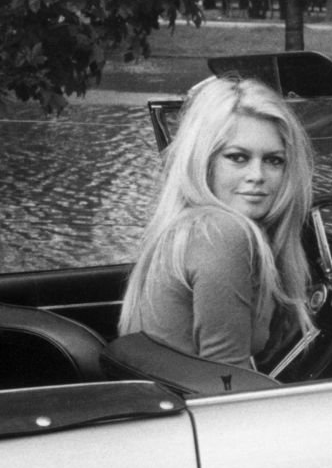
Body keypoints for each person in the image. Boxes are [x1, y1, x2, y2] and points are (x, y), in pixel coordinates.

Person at [118, 76, 315, 369]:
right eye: (238, 157)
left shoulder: (188, 228)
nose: (257, 175)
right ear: (205, 161)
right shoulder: (221, 233)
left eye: (274, 160)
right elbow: (227, 380)